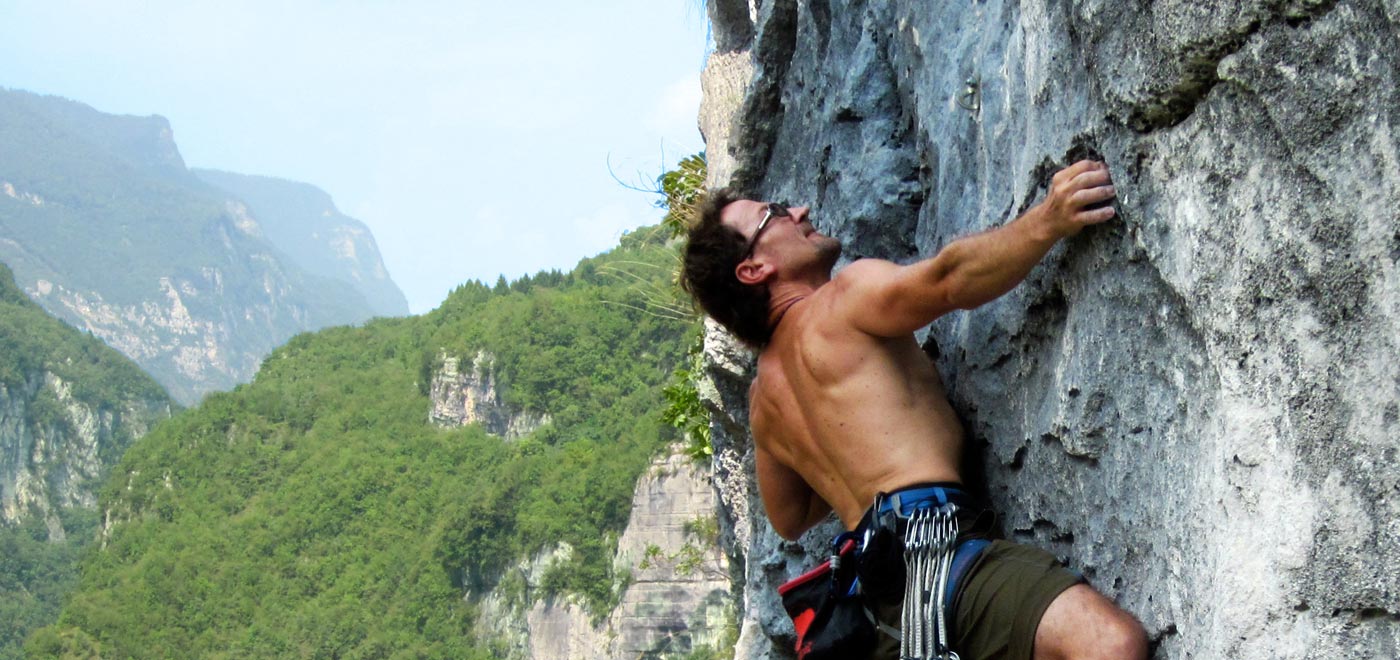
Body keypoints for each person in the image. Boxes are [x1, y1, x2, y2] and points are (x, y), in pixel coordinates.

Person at [680, 160, 1148, 660]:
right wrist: (1048, 220)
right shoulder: (842, 300)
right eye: (773, 214)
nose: (799, 210)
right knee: (1107, 642)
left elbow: (789, 516)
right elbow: (949, 279)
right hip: (939, 551)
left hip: (886, 607)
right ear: (754, 269)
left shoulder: (764, 402)